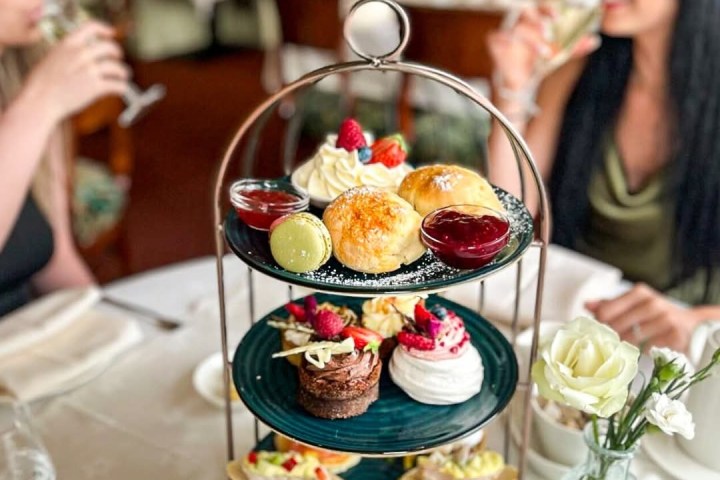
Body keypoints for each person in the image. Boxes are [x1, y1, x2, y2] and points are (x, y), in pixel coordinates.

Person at [487, 0, 720, 352]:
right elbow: (505, 217)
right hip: (571, 324)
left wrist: (696, 320)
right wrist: (512, 89)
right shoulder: (580, 68)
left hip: (684, 349)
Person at [0, 1, 129, 315]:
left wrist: (112, 325)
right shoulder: (37, 98)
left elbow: (55, 258)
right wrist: (39, 105)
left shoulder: (22, 73)